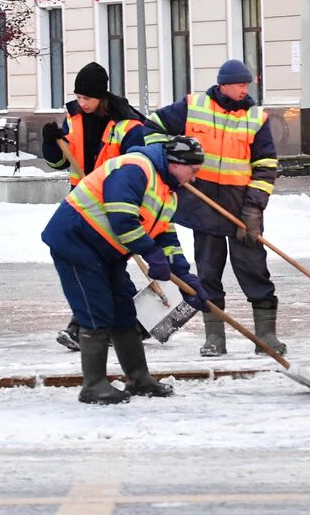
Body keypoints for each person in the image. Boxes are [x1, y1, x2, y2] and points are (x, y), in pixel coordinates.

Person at [41, 136, 209, 404]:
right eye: (194, 170)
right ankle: (93, 385)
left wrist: (184, 275)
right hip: (76, 241)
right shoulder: (135, 168)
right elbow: (122, 217)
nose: (195, 178)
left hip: (107, 251)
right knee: (96, 309)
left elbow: (165, 234)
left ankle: (138, 379)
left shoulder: (168, 190)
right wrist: (151, 253)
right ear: (176, 163)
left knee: (124, 311)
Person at [151, 60, 281, 357]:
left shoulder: (256, 118)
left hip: (240, 210)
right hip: (203, 207)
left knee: (254, 270)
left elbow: (265, 167)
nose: (244, 90)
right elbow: (154, 127)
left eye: (247, 85)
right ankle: (214, 338)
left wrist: (253, 210)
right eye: (239, 85)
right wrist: (171, 162)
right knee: (208, 273)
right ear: (222, 84)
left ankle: (267, 336)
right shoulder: (193, 106)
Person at [41, 62, 156, 352]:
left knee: (101, 265)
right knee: (102, 266)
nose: (81, 104)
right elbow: (59, 162)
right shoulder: (73, 118)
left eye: (87, 99)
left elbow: (139, 168)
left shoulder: (128, 126)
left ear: (101, 96)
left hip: (114, 204)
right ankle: (133, 322)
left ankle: (85, 327)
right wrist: (50, 144)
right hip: (81, 203)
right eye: (78, 98)